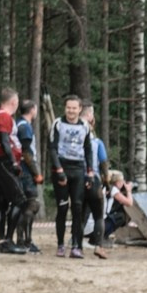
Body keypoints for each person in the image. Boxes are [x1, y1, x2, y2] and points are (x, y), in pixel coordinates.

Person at [49, 94, 95, 258]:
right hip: (61, 167)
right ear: (65, 108)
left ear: (79, 109)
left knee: (77, 208)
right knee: (62, 208)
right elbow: (52, 148)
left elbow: (88, 149)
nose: (71, 111)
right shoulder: (58, 124)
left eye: (74, 108)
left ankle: (77, 245)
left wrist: (90, 172)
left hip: (78, 169)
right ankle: (60, 245)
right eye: (68, 107)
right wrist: (59, 169)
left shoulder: (85, 126)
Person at [0, 86, 28, 255]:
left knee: (3, 201)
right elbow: (5, 140)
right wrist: (13, 163)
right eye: (17, 102)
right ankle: (7, 240)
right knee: (19, 200)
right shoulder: (4, 116)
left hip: (1, 162)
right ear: (13, 102)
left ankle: (2, 240)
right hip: (5, 162)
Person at [80, 102, 110, 258]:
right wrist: (107, 181)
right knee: (98, 214)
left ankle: (76, 245)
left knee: (81, 213)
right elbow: (103, 161)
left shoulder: (75, 134)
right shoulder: (96, 140)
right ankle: (98, 245)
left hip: (78, 178)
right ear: (90, 115)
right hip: (94, 178)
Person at [14, 100, 44, 254]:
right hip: (25, 172)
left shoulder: (18, 124)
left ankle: (22, 241)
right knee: (31, 205)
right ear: (32, 110)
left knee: (24, 206)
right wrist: (36, 173)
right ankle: (26, 241)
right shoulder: (25, 127)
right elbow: (26, 153)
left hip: (21, 171)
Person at [103, 169, 135, 239]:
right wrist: (129, 191)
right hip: (98, 226)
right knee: (121, 216)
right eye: (122, 181)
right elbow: (129, 203)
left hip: (94, 223)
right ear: (117, 182)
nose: (123, 183)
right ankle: (103, 236)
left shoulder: (105, 187)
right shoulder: (113, 190)